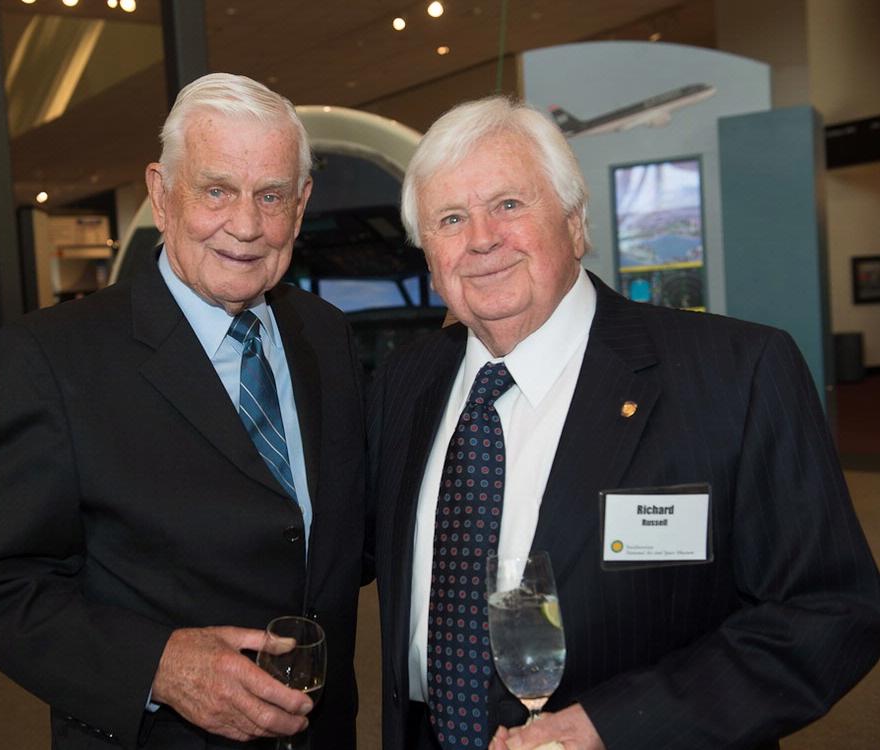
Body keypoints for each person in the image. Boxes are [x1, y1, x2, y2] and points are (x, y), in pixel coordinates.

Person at [367, 95, 880, 750]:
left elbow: (829, 610)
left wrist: (614, 726)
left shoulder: (735, 374)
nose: (481, 238)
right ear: (428, 252)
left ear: (576, 224)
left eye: (509, 205)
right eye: (450, 218)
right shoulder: (403, 386)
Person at [0, 73, 366, 749]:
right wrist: (158, 666)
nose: (247, 226)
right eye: (217, 190)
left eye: (271, 195)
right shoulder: (55, 357)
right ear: (162, 195)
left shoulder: (325, 335)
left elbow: (335, 541)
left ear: (302, 204)